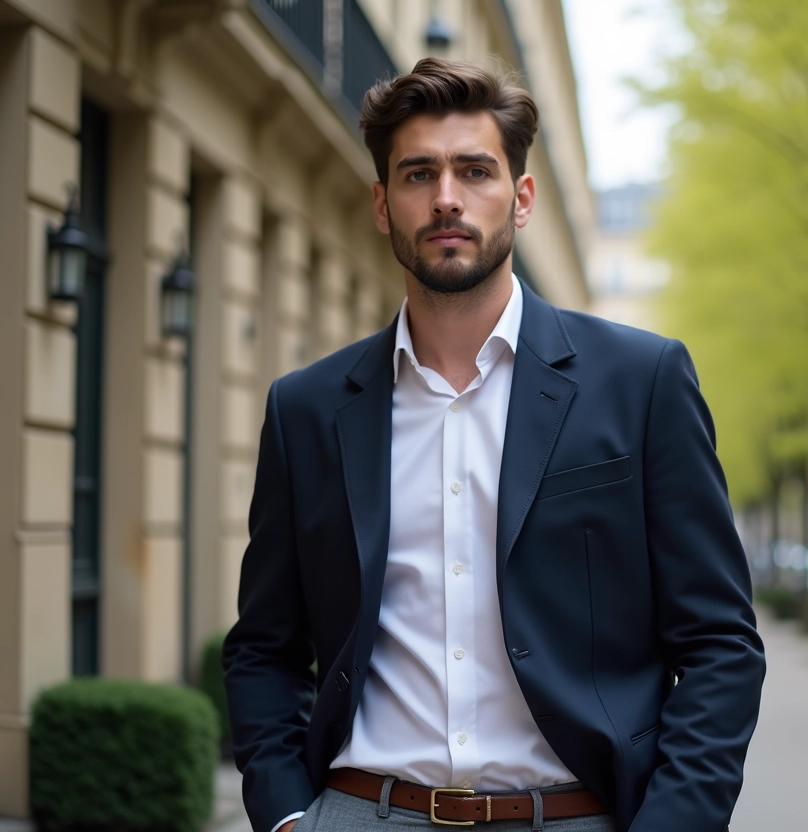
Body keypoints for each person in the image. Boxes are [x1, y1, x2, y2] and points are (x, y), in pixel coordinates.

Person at [222, 58, 765, 832]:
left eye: (475, 170)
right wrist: (284, 817)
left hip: (574, 814)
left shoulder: (640, 381)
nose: (446, 197)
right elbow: (264, 648)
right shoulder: (306, 409)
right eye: (418, 174)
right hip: (363, 811)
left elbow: (721, 644)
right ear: (382, 204)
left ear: (522, 196)